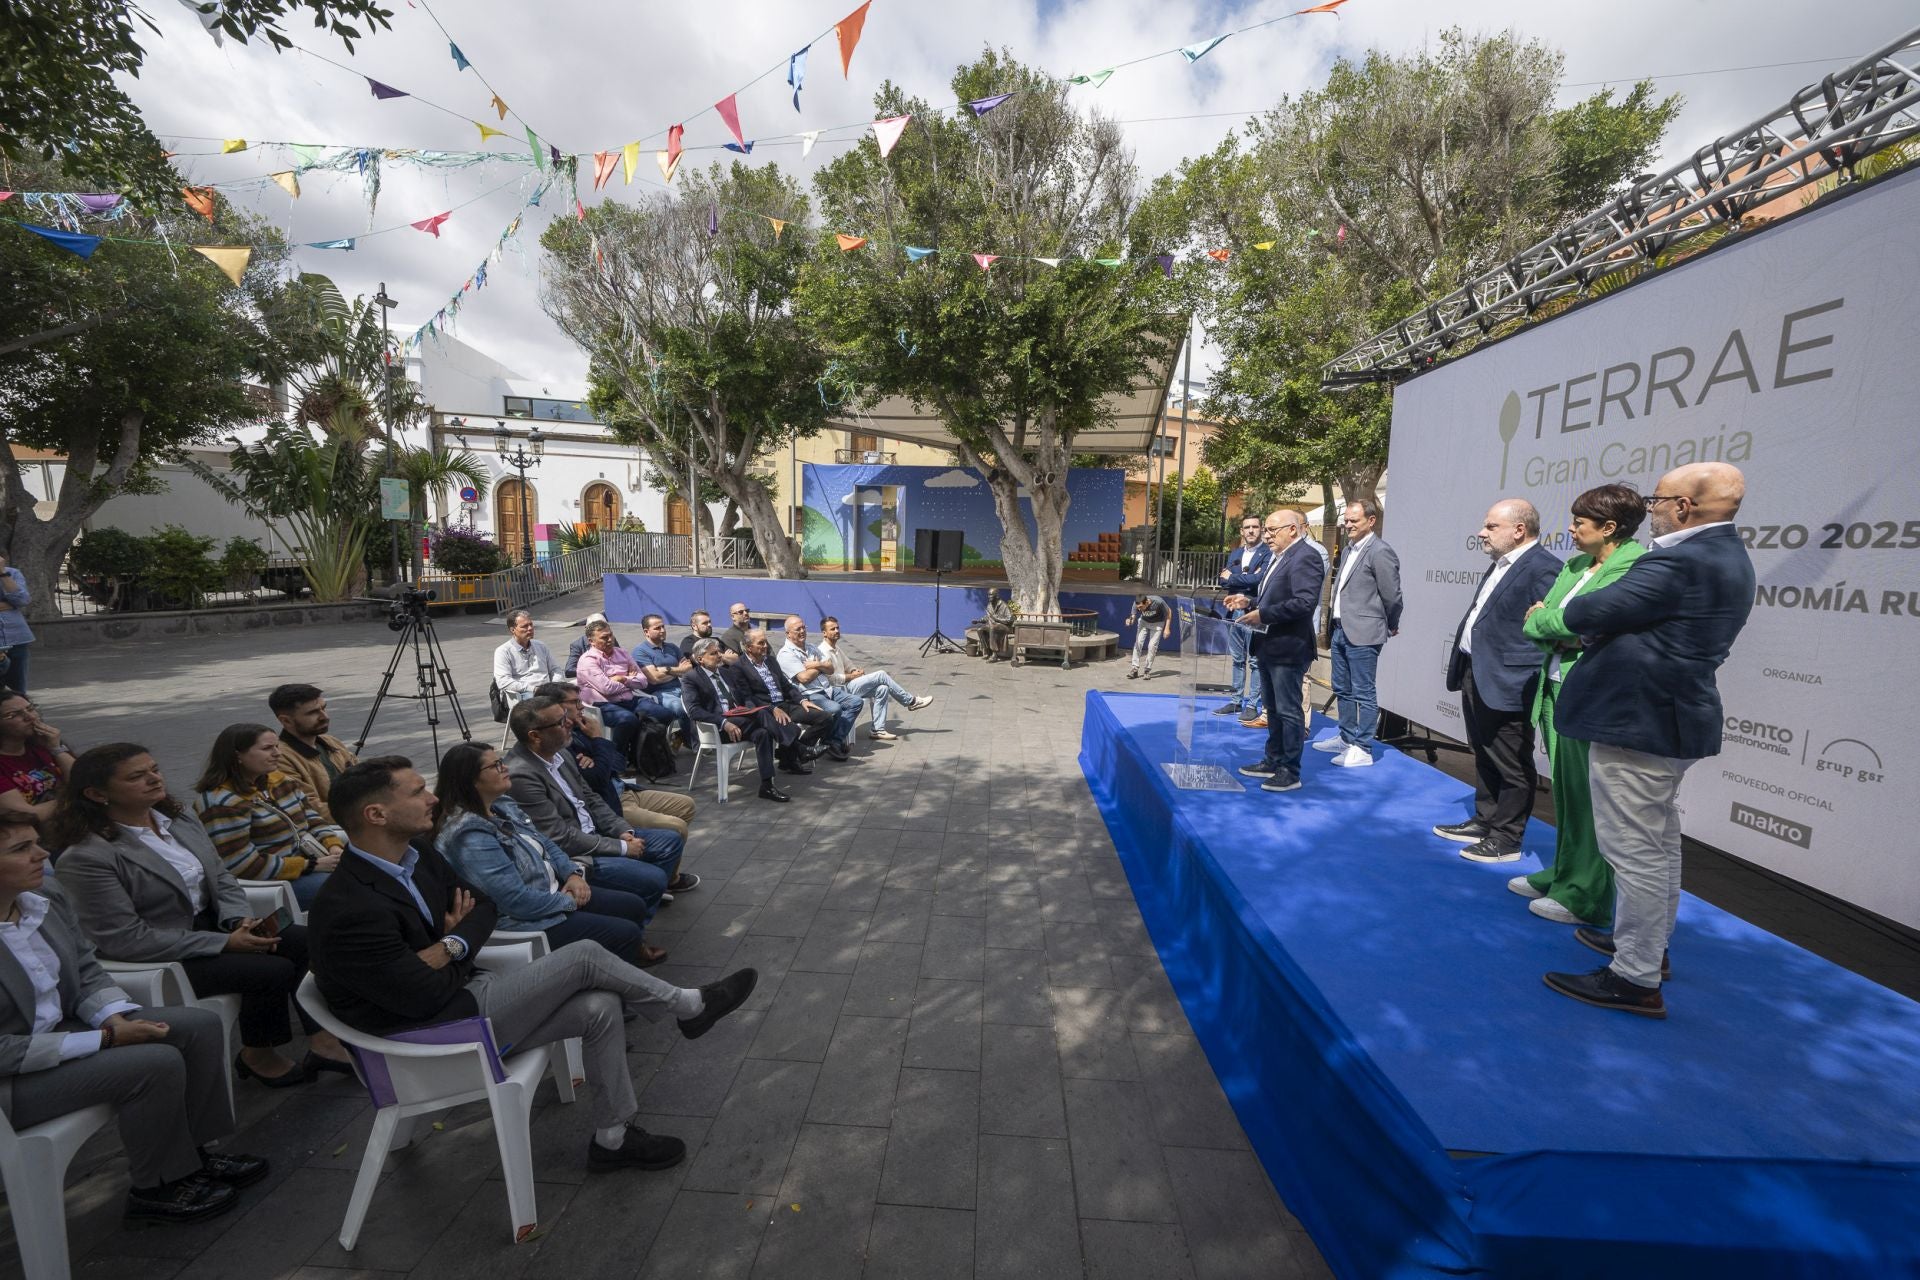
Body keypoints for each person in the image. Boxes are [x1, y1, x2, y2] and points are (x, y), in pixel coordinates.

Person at [307, 757, 758, 1174]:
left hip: (460, 995)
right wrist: (454, 943)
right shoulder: (348, 908)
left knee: (600, 1005)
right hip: (428, 1039)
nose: (433, 799)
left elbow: (483, 907)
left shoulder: (416, 854)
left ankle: (613, 1138)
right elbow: (419, 994)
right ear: (376, 815)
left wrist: (447, 946)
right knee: (584, 955)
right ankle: (689, 1007)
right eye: (417, 792)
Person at [1542, 464, 1755, 1018]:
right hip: (1666, 718)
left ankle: (1633, 977)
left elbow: (1587, 610)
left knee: (1633, 850)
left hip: (1639, 720)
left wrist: (1572, 619)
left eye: (1657, 499)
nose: (1651, 508)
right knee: (1657, 843)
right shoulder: (1728, 557)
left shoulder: (1682, 558)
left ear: (1684, 506)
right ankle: (1646, 951)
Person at [0, 810, 267, 1225]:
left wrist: (114, 1016)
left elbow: (87, 968)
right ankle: (157, 1186)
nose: (41, 855)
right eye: (21, 849)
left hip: (59, 1029)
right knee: (153, 1064)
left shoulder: (43, 897)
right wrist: (104, 1040)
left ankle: (194, 1155)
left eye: (36, 843)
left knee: (198, 1025)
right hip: (12, 1077)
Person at [51, 744, 353, 1087]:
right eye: (137, 777)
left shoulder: (177, 820)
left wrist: (237, 920)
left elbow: (221, 877)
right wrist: (224, 943)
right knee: (272, 968)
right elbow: (124, 938)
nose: (154, 779)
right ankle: (258, 1054)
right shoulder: (88, 857)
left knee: (308, 942)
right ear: (96, 794)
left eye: (154, 769)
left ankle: (324, 1042)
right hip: (163, 950)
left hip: (214, 925)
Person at [1509, 484, 1647, 927]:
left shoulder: (1633, 565)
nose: (1568, 529)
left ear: (1609, 528)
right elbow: (1546, 621)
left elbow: (1585, 623)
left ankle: (1586, 893)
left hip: (1591, 692)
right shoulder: (1575, 565)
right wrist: (1557, 626)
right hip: (1555, 688)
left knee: (1590, 799)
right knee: (1566, 794)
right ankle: (1565, 873)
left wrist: (1554, 624)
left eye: (1578, 523)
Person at [433, 742, 654, 962]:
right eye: (496, 766)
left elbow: (544, 842)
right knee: (625, 932)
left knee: (633, 906)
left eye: (501, 762)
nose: (505, 768)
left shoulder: (501, 804)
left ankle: (622, 956)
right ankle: (612, 971)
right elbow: (515, 901)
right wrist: (567, 901)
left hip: (554, 890)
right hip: (527, 919)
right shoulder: (469, 835)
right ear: (470, 780)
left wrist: (572, 874)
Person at [1435, 500, 1564, 864]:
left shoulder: (1543, 568)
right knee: (1484, 751)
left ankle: (1507, 838)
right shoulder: (1502, 564)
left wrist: (1518, 671)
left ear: (1519, 530)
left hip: (1509, 680)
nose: (1482, 533)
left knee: (1510, 759)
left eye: (1491, 526)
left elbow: (1545, 628)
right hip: (1477, 671)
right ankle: (1485, 820)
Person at [504, 697, 694, 927]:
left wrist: (622, 829)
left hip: (598, 834)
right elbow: (561, 837)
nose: (569, 723)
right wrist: (622, 847)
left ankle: (637, 909)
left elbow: (591, 799)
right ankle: (632, 929)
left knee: (670, 841)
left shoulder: (560, 753)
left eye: (566, 717)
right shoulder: (521, 775)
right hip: (578, 855)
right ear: (535, 735)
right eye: (560, 721)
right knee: (653, 878)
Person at [194, 724, 346, 907]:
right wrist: (312, 865)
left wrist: (333, 846)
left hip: (311, 863)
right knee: (352, 887)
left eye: (276, 746)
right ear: (237, 756)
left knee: (374, 868)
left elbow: (312, 819)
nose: (277, 754)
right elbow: (242, 866)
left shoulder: (279, 780)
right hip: (271, 884)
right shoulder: (222, 803)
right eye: (267, 748)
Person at [1226, 510, 1324, 793]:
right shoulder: (1279, 558)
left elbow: (1304, 603)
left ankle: (1289, 771)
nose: (1266, 535)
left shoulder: (1306, 556)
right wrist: (1248, 601)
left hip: (1288, 648)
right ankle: (1273, 759)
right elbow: (1272, 597)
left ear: (1292, 530)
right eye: (1266, 530)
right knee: (1273, 710)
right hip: (1268, 646)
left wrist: (1263, 614)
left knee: (1288, 711)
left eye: (1271, 530)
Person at [531, 681, 696, 839]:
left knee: (686, 805)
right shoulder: (559, 742)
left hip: (623, 789)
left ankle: (661, 857)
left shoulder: (581, 728)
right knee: (676, 828)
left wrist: (598, 751)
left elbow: (619, 763)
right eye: (575, 702)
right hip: (611, 803)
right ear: (555, 708)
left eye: (580, 700)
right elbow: (598, 778)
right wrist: (598, 740)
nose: (581, 706)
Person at [1315, 499, 1402, 769]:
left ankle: (1362, 746)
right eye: (1347, 520)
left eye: (1354, 520)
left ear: (1371, 520)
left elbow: (1393, 595)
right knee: (1342, 687)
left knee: (1363, 691)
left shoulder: (1380, 552)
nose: (1348, 524)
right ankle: (1346, 737)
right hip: (1341, 630)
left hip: (1365, 632)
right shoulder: (1350, 549)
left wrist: (1392, 622)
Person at [681, 637, 802, 801]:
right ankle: (798, 747)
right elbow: (694, 710)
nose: (719, 656)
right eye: (713, 653)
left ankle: (767, 786)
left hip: (741, 719)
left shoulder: (725, 672)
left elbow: (745, 697)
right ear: (700, 659)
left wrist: (751, 707)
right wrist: (724, 722)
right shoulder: (691, 678)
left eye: (719, 652)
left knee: (763, 733)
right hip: (718, 727)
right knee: (762, 713)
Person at [817, 616, 932, 741]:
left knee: (882, 688)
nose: (837, 631)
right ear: (824, 633)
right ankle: (911, 701)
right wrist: (851, 676)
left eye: (837, 628)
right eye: (832, 629)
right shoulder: (822, 651)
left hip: (848, 685)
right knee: (881, 674)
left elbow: (848, 664)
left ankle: (878, 729)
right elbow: (830, 679)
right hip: (838, 691)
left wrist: (855, 671)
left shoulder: (836, 648)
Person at [575, 620, 677, 759]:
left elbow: (643, 682)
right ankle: (617, 759)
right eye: (604, 637)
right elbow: (607, 688)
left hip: (629, 699)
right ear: (591, 641)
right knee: (627, 720)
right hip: (603, 704)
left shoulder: (622, 653)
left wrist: (622, 679)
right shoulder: (588, 660)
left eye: (611, 635)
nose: (610, 639)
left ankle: (641, 752)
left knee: (665, 714)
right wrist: (628, 678)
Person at [738, 628, 835, 759]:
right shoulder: (739, 667)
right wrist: (772, 709)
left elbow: (786, 685)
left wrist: (802, 700)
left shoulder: (770, 661)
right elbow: (748, 698)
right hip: (766, 710)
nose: (766, 646)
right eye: (761, 643)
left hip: (785, 704)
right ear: (749, 647)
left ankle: (791, 754)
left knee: (825, 717)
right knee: (791, 728)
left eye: (766, 642)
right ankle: (797, 755)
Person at [268, 684, 358, 823]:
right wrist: (362, 815)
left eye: (323, 708)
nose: (324, 717)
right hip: (336, 828)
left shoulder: (331, 742)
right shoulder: (280, 757)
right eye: (313, 712)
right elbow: (307, 806)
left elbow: (366, 778)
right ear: (286, 720)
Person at [778, 616, 860, 758]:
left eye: (804, 627)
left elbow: (830, 668)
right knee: (835, 709)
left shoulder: (811, 647)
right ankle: (819, 746)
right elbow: (804, 678)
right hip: (809, 694)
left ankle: (832, 741)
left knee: (856, 702)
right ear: (788, 634)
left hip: (827, 689)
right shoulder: (785, 654)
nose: (803, 631)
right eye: (798, 629)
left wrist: (816, 665)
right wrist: (821, 667)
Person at [1214, 515, 1271, 721]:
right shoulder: (1236, 553)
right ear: (1241, 531)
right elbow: (1222, 579)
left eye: (1255, 527)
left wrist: (1235, 577)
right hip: (1233, 611)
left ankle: (1253, 703)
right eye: (1247, 527)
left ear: (1261, 529)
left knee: (1255, 661)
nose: (1251, 531)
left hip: (1254, 611)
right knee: (1237, 659)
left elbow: (1260, 579)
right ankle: (1236, 700)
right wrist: (1243, 578)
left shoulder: (1268, 553)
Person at [0, 689, 73, 828]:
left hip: (67, 825)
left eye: (30, 708)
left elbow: (85, 780)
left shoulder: (42, 744)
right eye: (13, 715)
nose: (31, 717)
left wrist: (57, 749)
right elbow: (26, 815)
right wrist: (76, 797)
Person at [629, 614, 695, 744]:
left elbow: (688, 670)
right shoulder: (640, 651)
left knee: (706, 700)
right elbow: (654, 678)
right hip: (658, 693)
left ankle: (689, 735)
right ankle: (693, 743)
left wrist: (666, 670)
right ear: (646, 632)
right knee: (681, 708)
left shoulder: (672, 647)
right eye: (657, 628)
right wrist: (678, 670)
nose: (663, 630)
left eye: (663, 626)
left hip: (680, 688)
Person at [492, 609, 558, 708]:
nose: (530, 628)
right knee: (539, 702)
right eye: (525, 626)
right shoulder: (503, 651)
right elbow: (503, 681)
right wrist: (533, 689)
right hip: (523, 693)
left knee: (573, 695)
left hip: (547, 689)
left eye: (531, 624)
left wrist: (556, 685)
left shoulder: (541, 646)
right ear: (512, 630)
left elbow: (555, 669)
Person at [0, 554, 35, 694]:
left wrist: (3, 574)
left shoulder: (12, 573)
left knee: (18, 691)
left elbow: (22, 600)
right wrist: (8, 604)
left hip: (17, 638)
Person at [1125, 595, 1171, 680]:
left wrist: (1167, 628)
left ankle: (1147, 670)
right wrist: (1130, 621)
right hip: (1144, 622)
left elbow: (1169, 612)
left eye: (1141, 607)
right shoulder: (1136, 603)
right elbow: (1133, 617)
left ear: (1147, 602)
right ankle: (1134, 669)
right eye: (1138, 607)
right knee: (1138, 643)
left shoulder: (1158, 602)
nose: (1140, 609)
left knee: (1152, 646)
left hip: (1157, 624)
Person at [565, 613, 615, 679]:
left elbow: (620, 657)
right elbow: (569, 670)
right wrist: (593, 671)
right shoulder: (578, 645)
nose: (609, 639)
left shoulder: (610, 639)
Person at [981, 590, 1014, 662]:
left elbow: (1010, 619)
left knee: (993, 628)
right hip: (993, 625)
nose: (989, 597)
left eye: (991, 595)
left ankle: (994, 654)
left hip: (1005, 627)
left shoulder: (1003, 605)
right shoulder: (989, 605)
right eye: (988, 595)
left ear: (996, 596)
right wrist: (981, 620)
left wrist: (997, 619)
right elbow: (988, 617)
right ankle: (986, 651)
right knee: (980, 629)